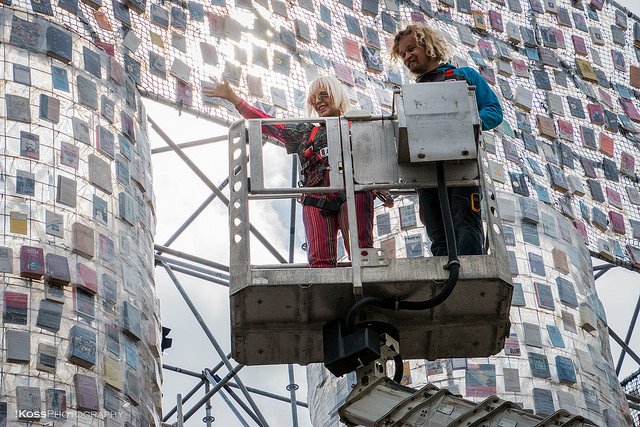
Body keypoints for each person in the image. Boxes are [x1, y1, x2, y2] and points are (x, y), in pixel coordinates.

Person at [204, 76, 390, 267]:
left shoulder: (359, 126)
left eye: (323, 95)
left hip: (353, 193)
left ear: (336, 95)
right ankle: (326, 295)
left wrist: (380, 185)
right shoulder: (304, 132)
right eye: (313, 99)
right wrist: (234, 98)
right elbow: (266, 123)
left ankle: (367, 294)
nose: (318, 101)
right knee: (320, 264)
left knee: (363, 255)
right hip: (316, 199)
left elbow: (378, 157)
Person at [391, 24, 503, 256]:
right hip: (427, 174)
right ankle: (447, 280)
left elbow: (493, 111)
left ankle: (471, 278)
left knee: (465, 225)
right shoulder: (410, 94)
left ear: (428, 46)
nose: (407, 56)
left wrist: (468, 124)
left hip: (462, 169)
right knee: (437, 234)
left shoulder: (463, 76)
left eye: (411, 49)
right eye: (402, 54)